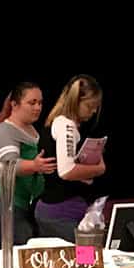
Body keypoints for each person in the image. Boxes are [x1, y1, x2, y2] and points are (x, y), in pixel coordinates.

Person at [0, 82, 56, 252]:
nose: (38, 107)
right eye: (32, 103)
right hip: (1, 206)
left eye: (40, 103)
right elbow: (8, 165)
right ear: (14, 105)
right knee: (14, 265)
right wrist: (34, 165)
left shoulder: (33, 133)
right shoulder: (5, 131)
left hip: (21, 208)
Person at [35, 75, 106, 240]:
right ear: (76, 101)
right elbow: (66, 171)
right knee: (87, 260)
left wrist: (84, 175)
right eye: (90, 106)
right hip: (61, 214)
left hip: (54, 211)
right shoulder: (66, 125)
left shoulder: (57, 123)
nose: (93, 111)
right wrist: (99, 168)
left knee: (59, 264)